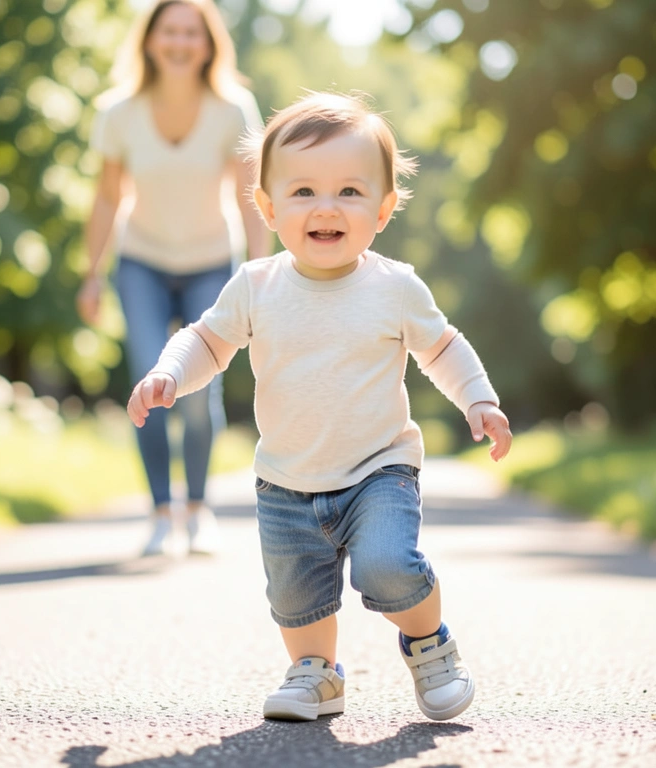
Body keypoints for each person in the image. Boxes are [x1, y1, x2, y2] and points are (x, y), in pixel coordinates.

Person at [125, 92, 513, 722]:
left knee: (388, 567)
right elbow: (207, 340)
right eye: (303, 192)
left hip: (378, 469)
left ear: (384, 209)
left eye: (350, 192)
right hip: (285, 478)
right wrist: (171, 370)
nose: (325, 207)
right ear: (268, 207)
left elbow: (443, 348)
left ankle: (429, 642)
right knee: (297, 594)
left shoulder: (394, 287)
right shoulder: (257, 284)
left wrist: (479, 399)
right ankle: (316, 672)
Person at [77, 0, 269, 557]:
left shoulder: (234, 108)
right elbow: (107, 198)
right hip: (141, 263)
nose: (181, 42)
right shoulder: (119, 111)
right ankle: (162, 512)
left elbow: (249, 197)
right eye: (170, 31)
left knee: (198, 388)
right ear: (150, 40)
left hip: (212, 260)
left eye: (192, 32)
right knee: (149, 378)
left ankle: (198, 508)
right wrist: (90, 275)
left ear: (209, 44)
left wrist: (259, 275)